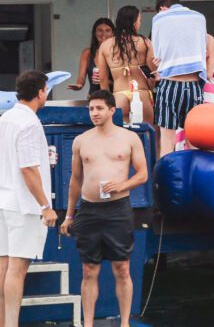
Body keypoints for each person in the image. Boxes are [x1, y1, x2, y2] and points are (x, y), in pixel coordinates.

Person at [60, 90, 147, 327]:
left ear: (112, 110)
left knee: (122, 267)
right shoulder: (81, 140)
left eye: (99, 108)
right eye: (91, 109)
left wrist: (122, 184)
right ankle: (87, 323)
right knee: (89, 269)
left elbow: (143, 174)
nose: (94, 113)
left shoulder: (129, 138)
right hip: (89, 210)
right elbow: (75, 180)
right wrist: (69, 215)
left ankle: (125, 322)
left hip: (118, 209)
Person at [0, 71, 57, 327]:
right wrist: (46, 206)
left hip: (3, 200)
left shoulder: (5, 118)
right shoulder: (30, 123)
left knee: (3, 267)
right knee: (17, 269)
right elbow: (28, 169)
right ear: (41, 92)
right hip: (23, 206)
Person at [151, 0, 207, 156]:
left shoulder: (160, 19)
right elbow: (201, 48)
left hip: (170, 84)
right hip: (194, 84)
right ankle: (196, 178)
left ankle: (166, 180)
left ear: (162, 8)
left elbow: (158, 53)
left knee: (167, 140)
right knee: (195, 139)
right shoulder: (199, 17)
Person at [97, 6, 156, 125]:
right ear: (134, 23)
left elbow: (102, 79)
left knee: (120, 136)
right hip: (141, 93)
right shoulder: (144, 42)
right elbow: (153, 71)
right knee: (146, 134)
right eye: (139, 21)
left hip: (119, 95)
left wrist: (106, 101)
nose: (139, 23)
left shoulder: (105, 45)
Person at [68, 17, 116, 95]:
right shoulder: (87, 53)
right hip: (94, 98)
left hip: (115, 98)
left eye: (107, 30)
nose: (103, 34)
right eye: (100, 30)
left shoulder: (118, 53)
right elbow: (81, 77)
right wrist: (79, 85)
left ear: (113, 33)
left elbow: (125, 82)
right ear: (95, 33)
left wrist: (107, 81)